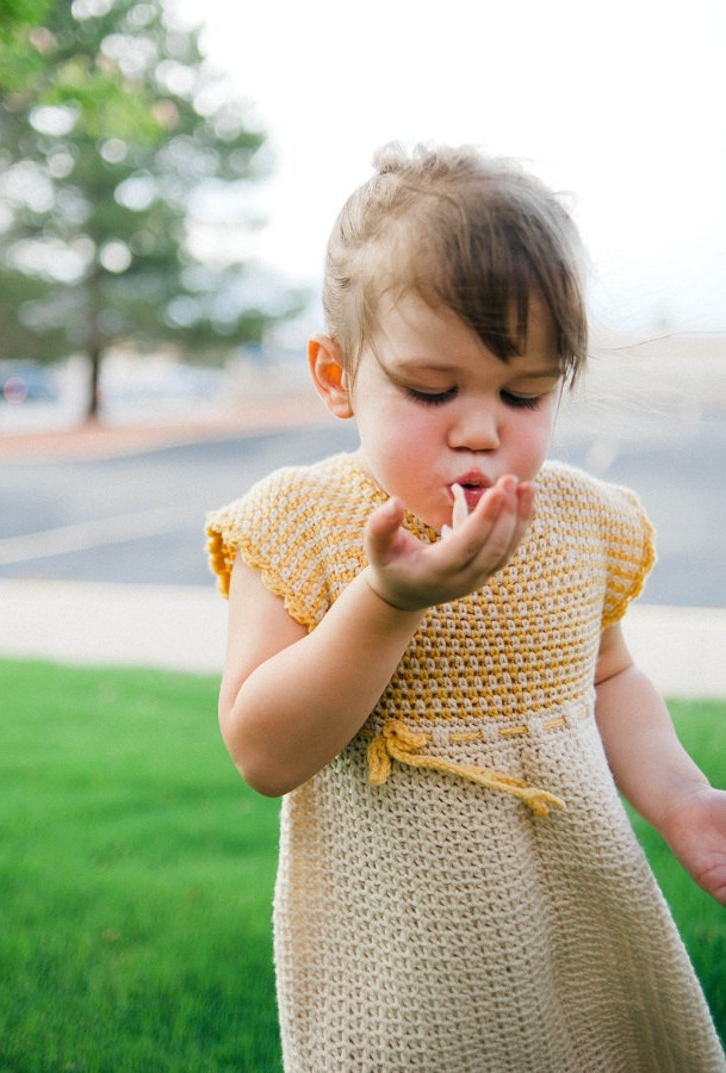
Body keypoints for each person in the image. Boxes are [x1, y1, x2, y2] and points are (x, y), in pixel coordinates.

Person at [206, 144, 726, 1072]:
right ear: (337, 375)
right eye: (431, 389)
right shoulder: (299, 525)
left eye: (525, 392)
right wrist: (386, 601)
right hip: (405, 964)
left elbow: (608, 678)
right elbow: (263, 750)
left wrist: (683, 799)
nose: (482, 427)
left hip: (583, 918)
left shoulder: (579, 521)